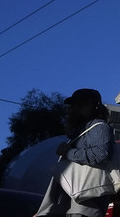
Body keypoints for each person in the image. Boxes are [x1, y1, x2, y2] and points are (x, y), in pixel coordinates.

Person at [37, 88, 115, 217]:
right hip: (71, 206)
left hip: (83, 208)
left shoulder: (99, 127)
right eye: (72, 105)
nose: (71, 109)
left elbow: (101, 153)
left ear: (91, 106)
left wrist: (68, 152)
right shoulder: (81, 130)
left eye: (77, 105)